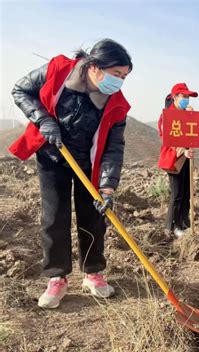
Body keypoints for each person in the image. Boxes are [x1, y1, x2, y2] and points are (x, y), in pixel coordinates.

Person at [9, 39, 133, 308]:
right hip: (53, 156)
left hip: (91, 164)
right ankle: (57, 277)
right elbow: (20, 90)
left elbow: (114, 148)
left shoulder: (117, 105)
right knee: (54, 216)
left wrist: (108, 188)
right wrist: (42, 119)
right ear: (94, 67)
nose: (120, 82)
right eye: (116, 74)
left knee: (94, 217)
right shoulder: (57, 70)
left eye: (124, 77)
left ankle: (93, 273)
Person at [157, 83, 197, 237]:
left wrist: (193, 116)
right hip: (173, 159)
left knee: (186, 192)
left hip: (187, 158)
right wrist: (183, 151)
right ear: (175, 97)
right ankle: (171, 227)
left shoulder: (185, 113)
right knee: (177, 193)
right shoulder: (167, 115)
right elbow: (166, 138)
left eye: (188, 97)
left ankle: (184, 224)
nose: (186, 100)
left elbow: (193, 132)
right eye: (184, 96)